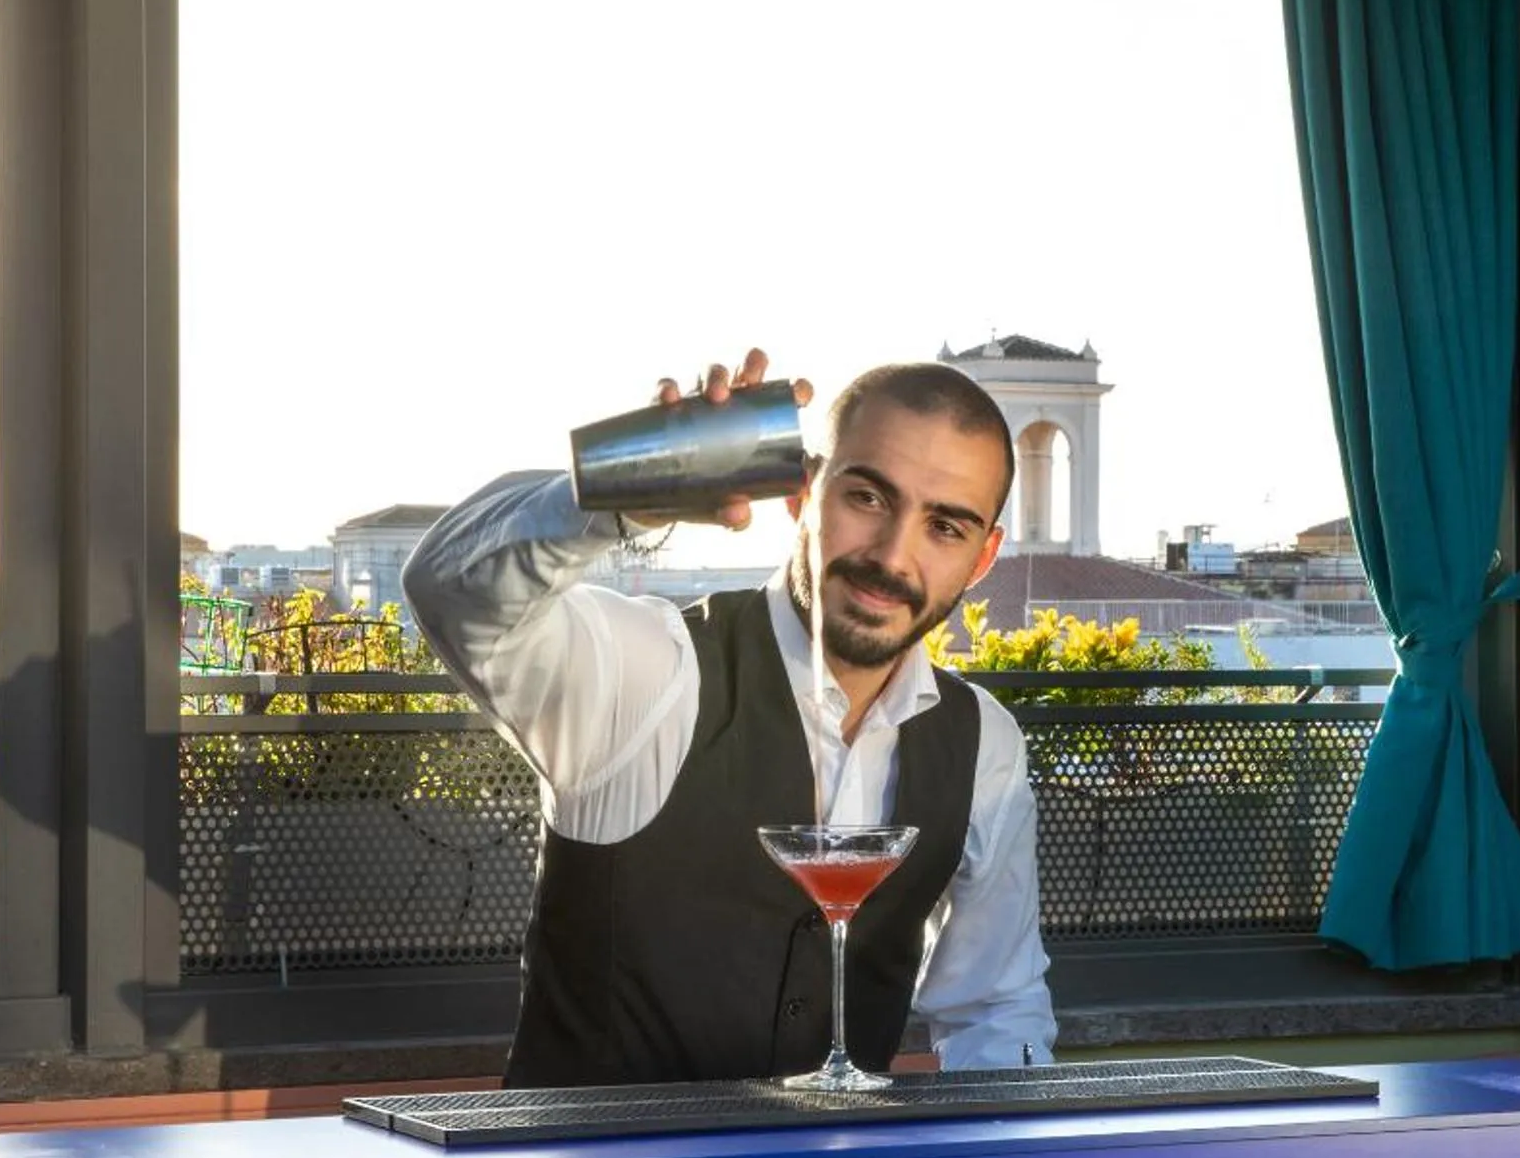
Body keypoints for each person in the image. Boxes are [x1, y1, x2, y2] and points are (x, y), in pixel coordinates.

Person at [403, 349, 1057, 1087]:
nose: (891, 557)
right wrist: (629, 490)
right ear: (801, 492)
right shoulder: (650, 672)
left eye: (945, 527)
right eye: (867, 498)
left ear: (981, 557)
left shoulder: (982, 743)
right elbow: (447, 586)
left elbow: (996, 1007)